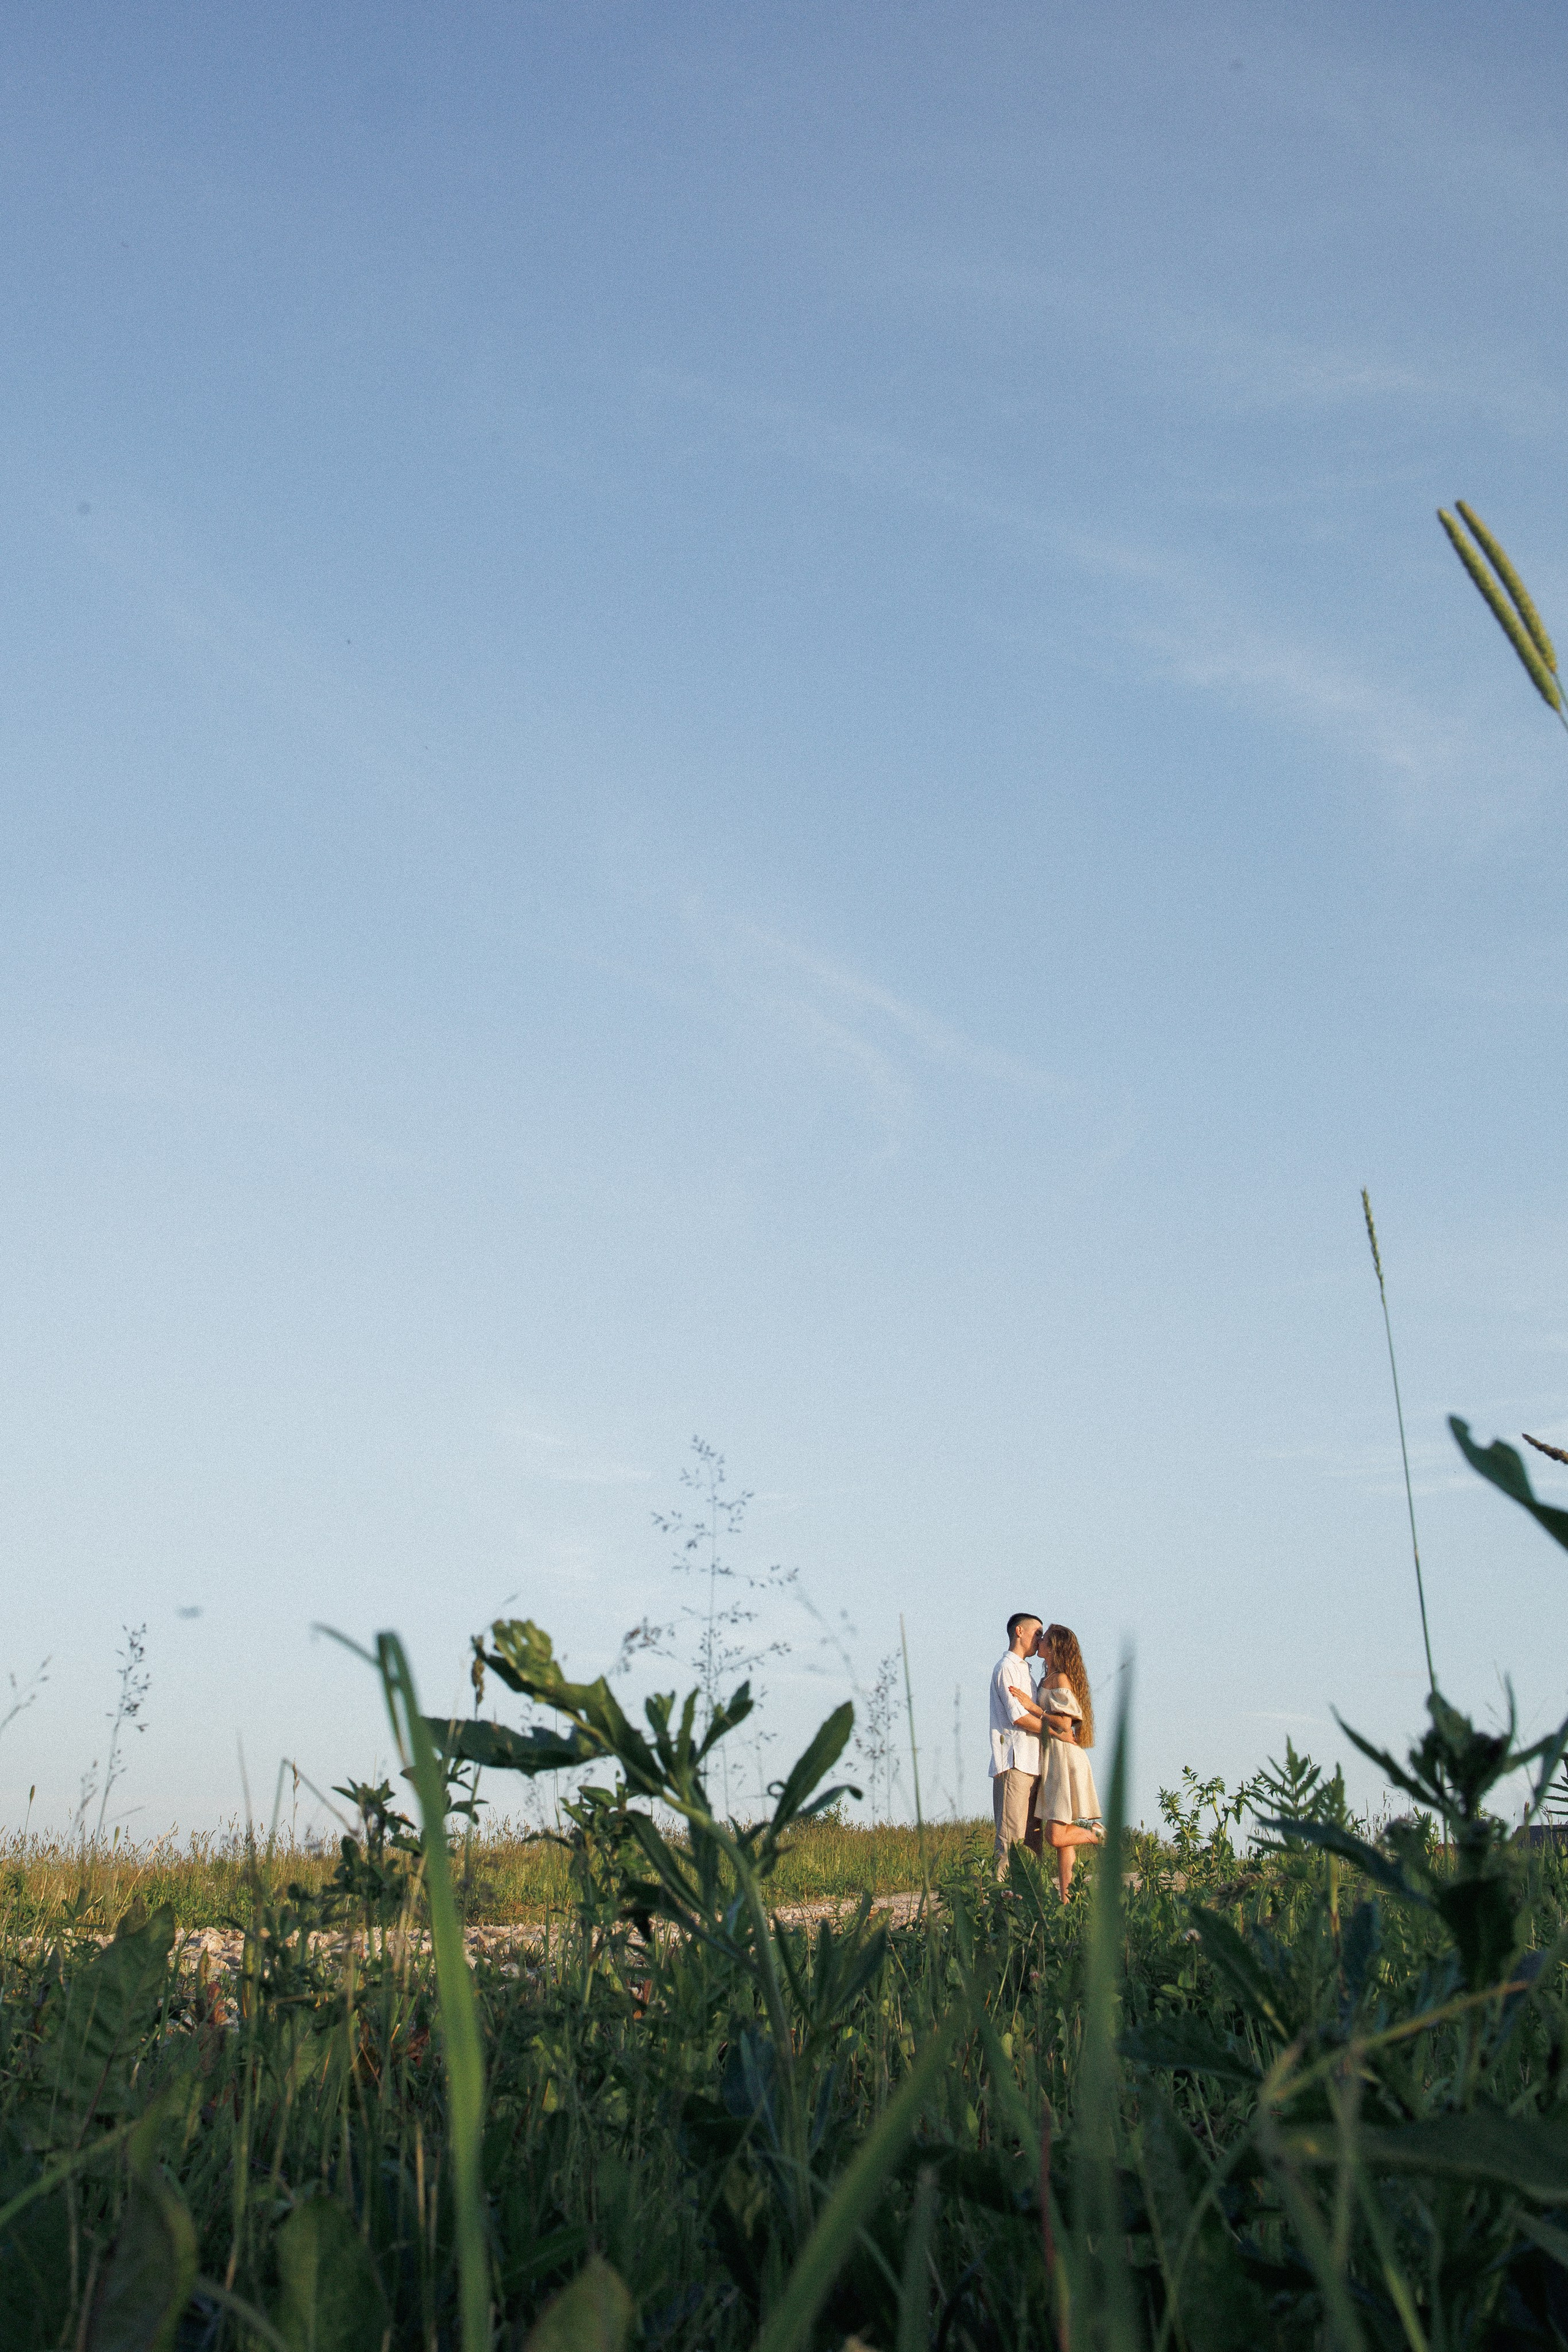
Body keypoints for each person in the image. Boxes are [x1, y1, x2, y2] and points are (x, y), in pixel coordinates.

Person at [989, 1613, 1074, 1880]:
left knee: (1032, 1844)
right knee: (1010, 1842)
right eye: (1037, 1633)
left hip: (1034, 1765)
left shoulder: (1026, 1671)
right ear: (1019, 1632)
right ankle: (1000, 1909)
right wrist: (1057, 1735)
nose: (1040, 1639)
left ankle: (1030, 1908)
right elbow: (1020, 1717)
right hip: (1014, 1764)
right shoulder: (1007, 1668)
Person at [1034, 1622, 1104, 1899]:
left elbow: (1064, 1723)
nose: (1039, 1641)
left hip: (1064, 1760)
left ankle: (1096, 1835)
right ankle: (1067, 1897)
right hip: (1055, 1758)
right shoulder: (1047, 1679)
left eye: (1044, 1638)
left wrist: (1032, 1708)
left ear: (1053, 1647)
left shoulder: (1060, 1679)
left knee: (1055, 1835)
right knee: (1062, 1837)